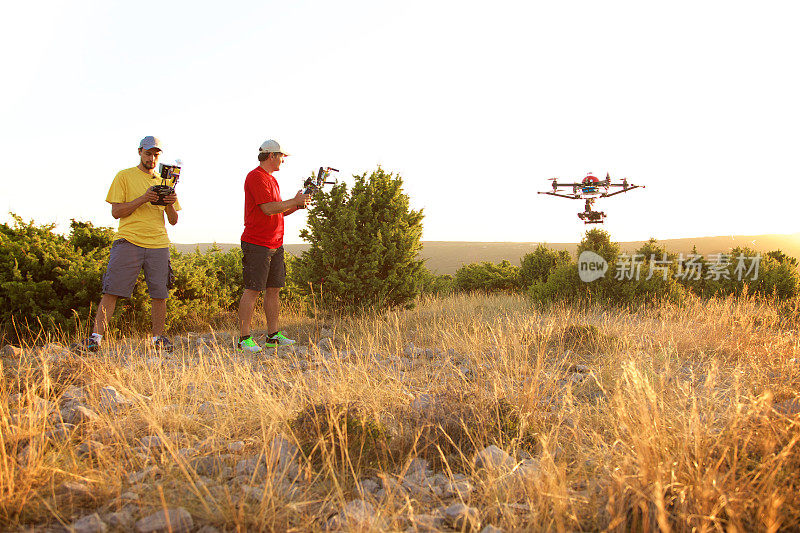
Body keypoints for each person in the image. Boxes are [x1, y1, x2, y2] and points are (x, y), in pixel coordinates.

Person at [74, 136, 181, 352]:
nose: (151, 158)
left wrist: (169, 204)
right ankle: (95, 338)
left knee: (160, 293)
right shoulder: (124, 176)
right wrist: (143, 198)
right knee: (112, 290)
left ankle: (157, 339)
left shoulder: (166, 181)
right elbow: (116, 212)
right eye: (148, 153)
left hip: (158, 243)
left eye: (156, 155)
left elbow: (173, 220)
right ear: (140, 152)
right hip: (128, 241)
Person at [237, 139, 310, 352]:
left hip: (275, 243)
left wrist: (297, 205)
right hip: (256, 243)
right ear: (271, 156)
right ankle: (244, 339)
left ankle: (273, 336)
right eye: (281, 157)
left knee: (273, 289)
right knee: (252, 290)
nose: (283, 161)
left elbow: (278, 209)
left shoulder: (272, 180)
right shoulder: (255, 177)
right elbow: (268, 209)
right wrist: (294, 200)